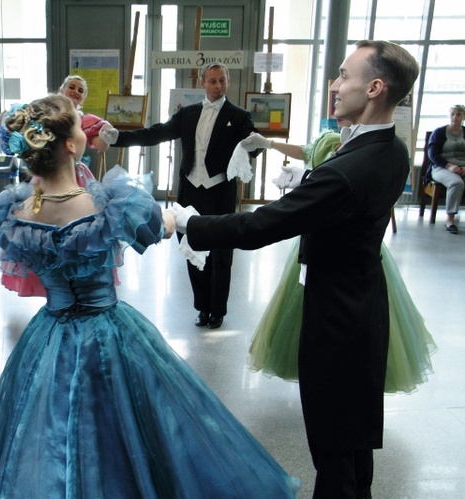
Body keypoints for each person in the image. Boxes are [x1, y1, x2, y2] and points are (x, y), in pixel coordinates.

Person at [0, 94, 300, 498]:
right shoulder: (108, 204)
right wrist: (172, 216)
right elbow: (157, 229)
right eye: (81, 126)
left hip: (49, 335)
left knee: (46, 423)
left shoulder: (16, 212)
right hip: (107, 332)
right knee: (137, 425)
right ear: (72, 146)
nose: (85, 131)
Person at [174, 40, 420, 496]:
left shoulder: (350, 169)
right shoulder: (391, 148)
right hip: (361, 303)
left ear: (375, 87)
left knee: (333, 450)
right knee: (351, 444)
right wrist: (308, 182)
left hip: (337, 321)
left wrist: (188, 221)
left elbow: (261, 225)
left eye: (345, 75)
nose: (334, 84)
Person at [242, 125, 437, 394]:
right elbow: (307, 152)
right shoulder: (330, 138)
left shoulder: (360, 147)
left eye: (344, 80)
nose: (336, 90)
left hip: (344, 243)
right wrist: (270, 145)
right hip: (316, 239)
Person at [114, 63, 260, 329]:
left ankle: (218, 310)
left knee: (220, 253)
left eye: (222, 81)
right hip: (190, 191)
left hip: (220, 192)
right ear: (202, 83)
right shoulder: (188, 114)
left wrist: (254, 145)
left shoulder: (239, 116)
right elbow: (155, 133)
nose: (218, 86)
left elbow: (252, 145)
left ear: (228, 81)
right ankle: (202, 307)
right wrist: (117, 138)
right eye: (212, 81)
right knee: (192, 247)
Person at [0, 75, 120, 297]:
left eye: (80, 89)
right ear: (60, 89)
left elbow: (101, 144)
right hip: (51, 178)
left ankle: (67, 278)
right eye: (71, 87)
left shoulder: (86, 119)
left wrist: (106, 134)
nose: (75, 91)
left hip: (76, 175)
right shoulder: (45, 115)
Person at [426, 104, 465, 233]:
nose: (455, 117)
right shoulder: (439, 132)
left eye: (459, 114)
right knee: (456, 182)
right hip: (441, 168)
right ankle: (450, 219)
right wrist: (449, 166)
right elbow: (432, 154)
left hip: (463, 167)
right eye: (452, 114)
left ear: (464, 117)